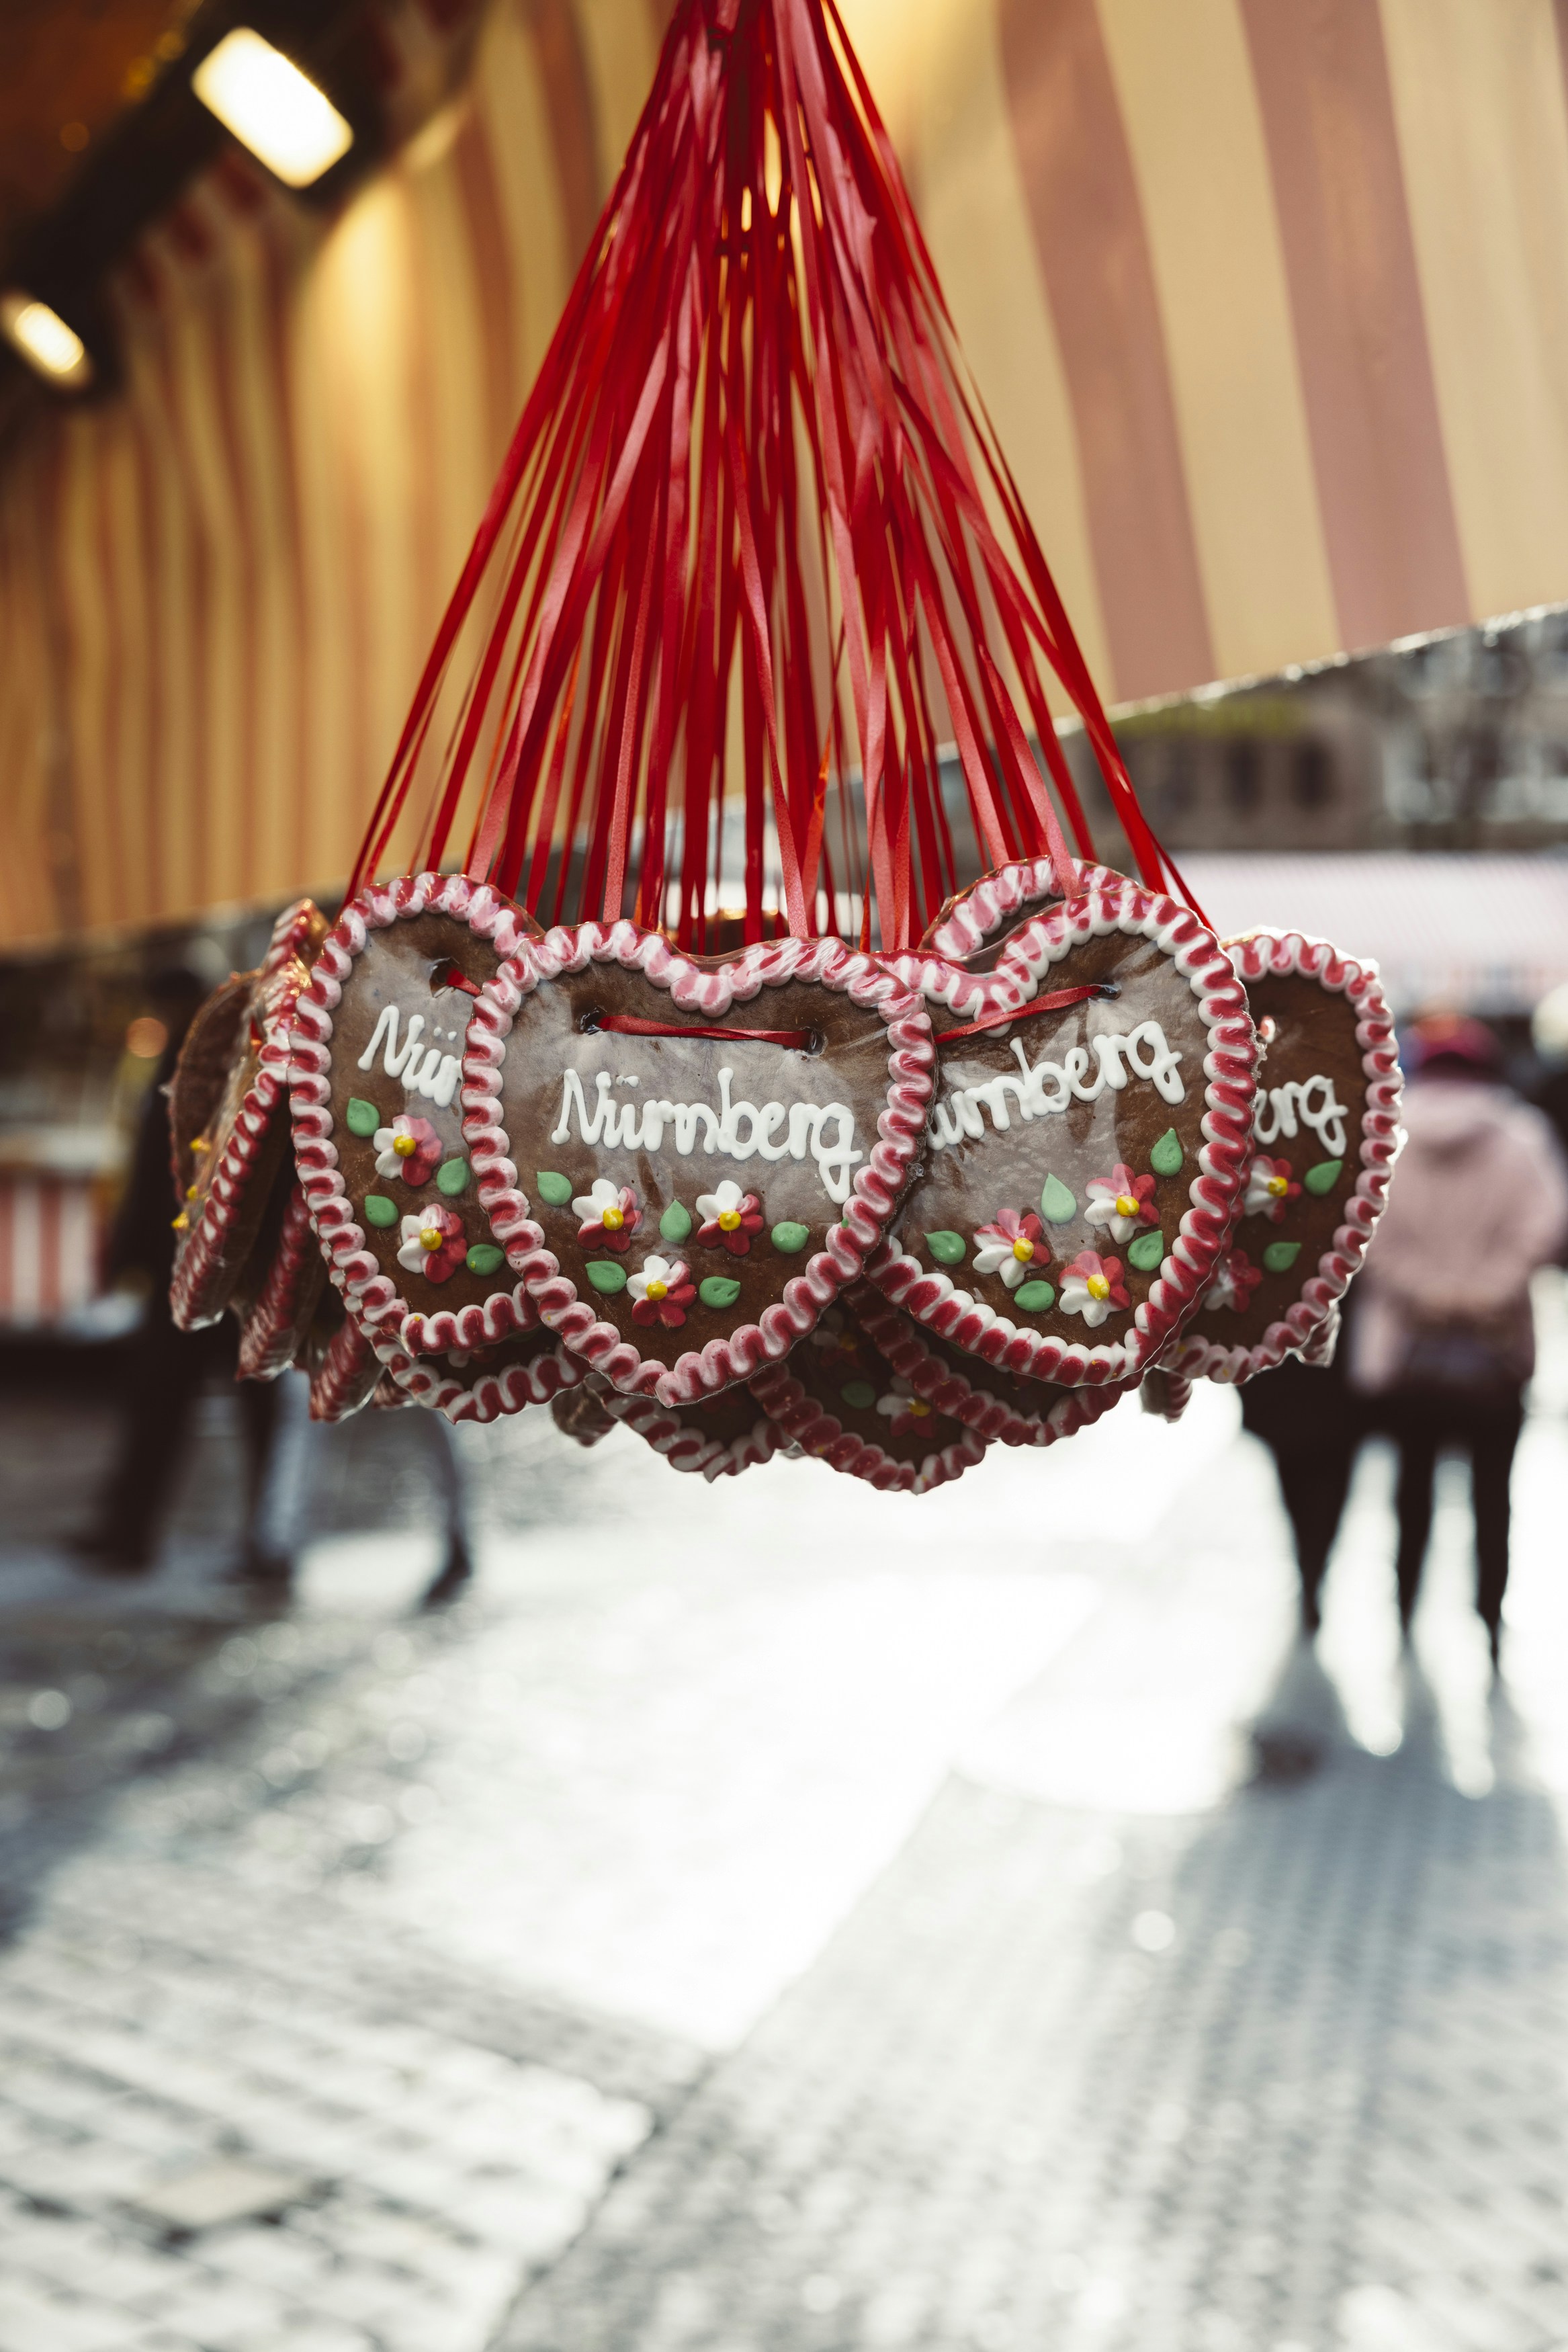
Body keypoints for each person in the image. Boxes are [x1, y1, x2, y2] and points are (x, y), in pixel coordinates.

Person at [1349, 1013, 1568, 1665]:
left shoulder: (1386, 1139)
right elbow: (1547, 1225)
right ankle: (1490, 1622)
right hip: (1497, 1350)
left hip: (1409, 1349)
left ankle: (1404, 1612)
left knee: (1409, 1489)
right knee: (1492, 1496)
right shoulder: (1522, 1136)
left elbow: (1368, 1237)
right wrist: (1486, 1291)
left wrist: (1429, 1292)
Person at [78, 968, 284, 1577]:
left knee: (231, 1405)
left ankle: (265, 1537)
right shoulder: (183, 1062)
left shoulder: (228, 1067)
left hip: (222, 1267)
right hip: (187, 1266)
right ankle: (133, 1530)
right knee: (166, 1403)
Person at [1239, 1312, 1360, 1638]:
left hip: (1340, 1373)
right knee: (1301, 1475)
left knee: (1327, 1482)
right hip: (1289, 1375)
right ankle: (1311, 1563)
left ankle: (1313, 1563)